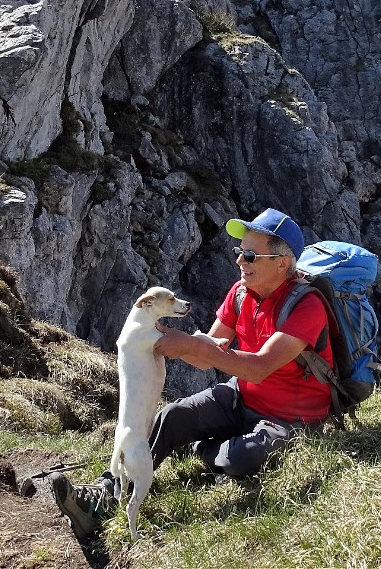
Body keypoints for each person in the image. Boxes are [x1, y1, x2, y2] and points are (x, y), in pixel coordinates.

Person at [54, 207, 333, 541]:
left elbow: (259, 368)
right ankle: (104, 493)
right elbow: (205, 356)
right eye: (238, 253)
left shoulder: (306, 307)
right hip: (241, 397)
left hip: (290, 417)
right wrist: (161, 337)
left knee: (242, 457)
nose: (239, 262)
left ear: (283, 262)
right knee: (172, 416)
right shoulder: (242, 294)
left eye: (249, 255)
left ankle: (202, 447)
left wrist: (191, 345)